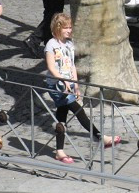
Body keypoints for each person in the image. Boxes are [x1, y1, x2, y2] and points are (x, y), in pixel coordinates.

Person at [44, 13, 119, 164]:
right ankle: (100, 137)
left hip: (67, 84)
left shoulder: (69, 45)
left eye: (70, 27)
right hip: (56, 85)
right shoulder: (51, 45)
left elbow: (71, 65)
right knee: (78, 110)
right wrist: (63, 81)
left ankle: (59, 151)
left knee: (62, 116)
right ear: (58, 28)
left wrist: (75, 84)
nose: (69, 30)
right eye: (66, 28)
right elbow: (51, 67)